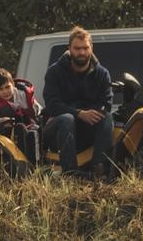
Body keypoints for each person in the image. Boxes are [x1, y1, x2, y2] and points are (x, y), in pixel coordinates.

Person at [42, 27, 115, 178]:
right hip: (57, 131)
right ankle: (71, 174)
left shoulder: (102, 74)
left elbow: (106, 102)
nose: (81, 52)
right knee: (67, 119)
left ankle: (99, 172)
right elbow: (51, 105)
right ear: (69, 48)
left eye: (85, 48)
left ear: (91, 48)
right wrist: (79, 113)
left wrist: (93, 113)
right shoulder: (55, 72)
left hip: (86, 130)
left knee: (107, 118)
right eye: (77, 48)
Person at [0, 67, 42, 164]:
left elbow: (38, 110)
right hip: (10, 132)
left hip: (31, 126)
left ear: (12, 84)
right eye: (0, 89)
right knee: (19, 130)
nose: (5, 91)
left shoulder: (23, 94)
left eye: (7, 87)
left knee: (34, 132)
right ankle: (21, 163)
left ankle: (36, 163)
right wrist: (3, 121)